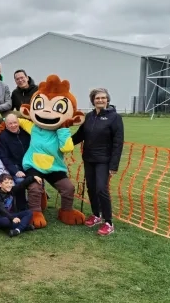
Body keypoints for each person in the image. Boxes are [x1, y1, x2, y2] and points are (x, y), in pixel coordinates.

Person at [72, 88, 124, 236]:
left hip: (104, 161)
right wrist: (64, 145)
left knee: (101, 189)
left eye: (103, 98)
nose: (100, 100)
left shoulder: (115, 118)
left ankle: (108, 222)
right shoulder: (88, 117)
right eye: (97, 98)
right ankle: (96, 215)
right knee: (91, 188)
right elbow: (79, 136)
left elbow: (118, 143)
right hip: (89, 159)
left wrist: (114, 165)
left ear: (107, 100)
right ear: (93, 100)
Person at [0, 113, 33, 211]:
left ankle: (37, 207)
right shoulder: (3, 137)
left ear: (18, 122)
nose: (13, 125)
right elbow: (4, 157)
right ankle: (22, 208)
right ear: (6, 124)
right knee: (19, 181)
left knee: (37, 179)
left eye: (15, 123)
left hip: (29, 163)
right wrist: (15, 171)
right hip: (15, 165)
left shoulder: (26, 132)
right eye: (10, 124)